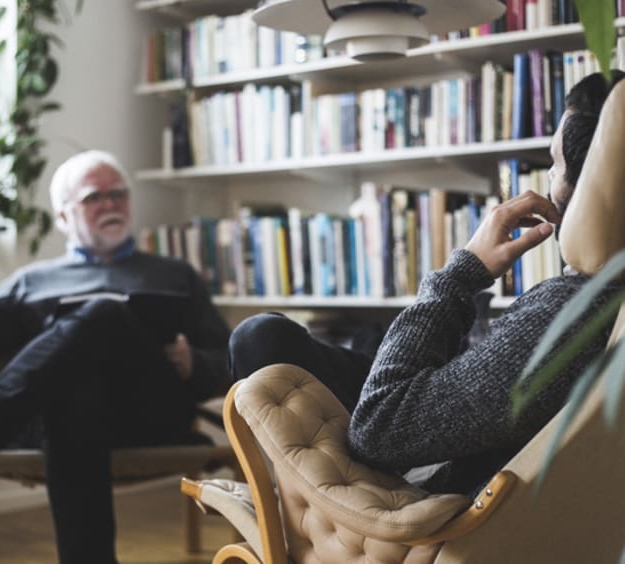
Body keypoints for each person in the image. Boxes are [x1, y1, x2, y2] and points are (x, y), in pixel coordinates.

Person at [229, 70, 625, 496]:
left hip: (423, 481)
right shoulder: (599, 298)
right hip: (450, 422)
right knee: (332, 339)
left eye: (555, 163)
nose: (547, 177)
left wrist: (462, 273)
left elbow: (379, 426)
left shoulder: (575, 311)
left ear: (592, 187)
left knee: (261, 338)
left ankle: (291, 509)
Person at [0, 150, 231, 564]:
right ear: (63, 217)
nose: (110, 204)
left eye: (118, 195)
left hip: (150, 416)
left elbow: (230, 363)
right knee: (73, 397)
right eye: (93, 197)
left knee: (103, 313)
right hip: (62, 423)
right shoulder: (32, 282)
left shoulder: (174, 275)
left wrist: (195, 363)